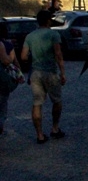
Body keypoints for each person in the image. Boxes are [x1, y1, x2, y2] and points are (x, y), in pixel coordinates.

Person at [20, 8, 66, 144]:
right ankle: (55, 128)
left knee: (37, 103)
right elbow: (58, 54)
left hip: (35, 73)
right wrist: (63, 72)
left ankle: (39, 134)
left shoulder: (30, 36)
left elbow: (23, 57)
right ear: (48, 21)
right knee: (56, 101)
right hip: (50, 72)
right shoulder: (54, 34)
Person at [0, 22, 22, 136]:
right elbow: (8, 61)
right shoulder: (6, 45)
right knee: (2, 104)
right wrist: (19, 74)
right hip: (2, 80)